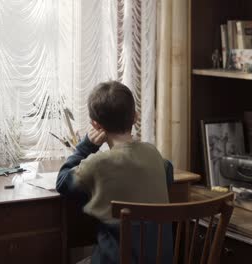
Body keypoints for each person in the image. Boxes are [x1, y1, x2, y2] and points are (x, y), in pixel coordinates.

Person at [56, 81, 173, 264]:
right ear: (135, 117)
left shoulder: (97, 164)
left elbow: (62, 182)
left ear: (96, 125)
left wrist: (85, 147)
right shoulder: (153, 153)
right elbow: (168, 171)